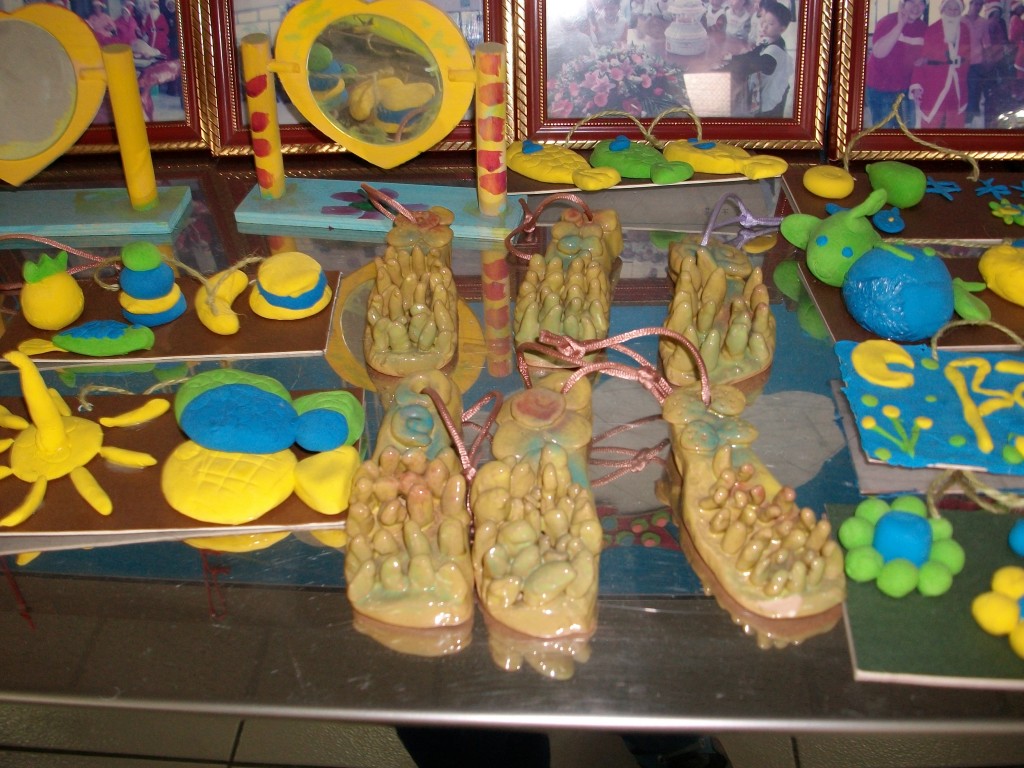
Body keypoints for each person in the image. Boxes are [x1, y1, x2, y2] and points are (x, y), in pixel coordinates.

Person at [864, 0, 927, 127]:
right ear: (903, 4)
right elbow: (879, 53)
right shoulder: (887, 21)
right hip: (881, 88)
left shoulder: (923, 28)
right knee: (884, 132)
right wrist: (900, 25)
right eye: (912, 2)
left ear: (924, 6)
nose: (916, 7)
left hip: (906, 90)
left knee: (907, 131)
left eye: (920, 3)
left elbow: (923, 58)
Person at [910, 0, 972, 128]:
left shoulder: (965, 30)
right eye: (949, 9)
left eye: (956, 9)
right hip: (934, 85)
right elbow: (921, 60)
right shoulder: (932, 30)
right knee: (930, 124)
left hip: (957, 88)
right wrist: (916, 85)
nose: (953, 12)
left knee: (955, 126)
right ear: (943, 10)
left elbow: (967, 58)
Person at [725, 0, 791, 116]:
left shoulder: (775, 51)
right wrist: (730, 58)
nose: (764, 26)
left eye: (770, 24)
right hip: (764, 97)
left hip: (771, 104)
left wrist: (729, 66)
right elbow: (752, 55)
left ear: (782, 29)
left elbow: (751, 65)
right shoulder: (767, 40)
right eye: (763, 21)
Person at [964, 0, 989, 124]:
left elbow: (986, 43)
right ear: (971, 4)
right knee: (963, 90)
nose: (978, 7)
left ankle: (970, 119)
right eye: (976, 4)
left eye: (981, 4)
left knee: (974, 90)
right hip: (962, 62)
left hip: (977, 62)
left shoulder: (983, 22)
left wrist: (986, 60)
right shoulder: (961, 21)